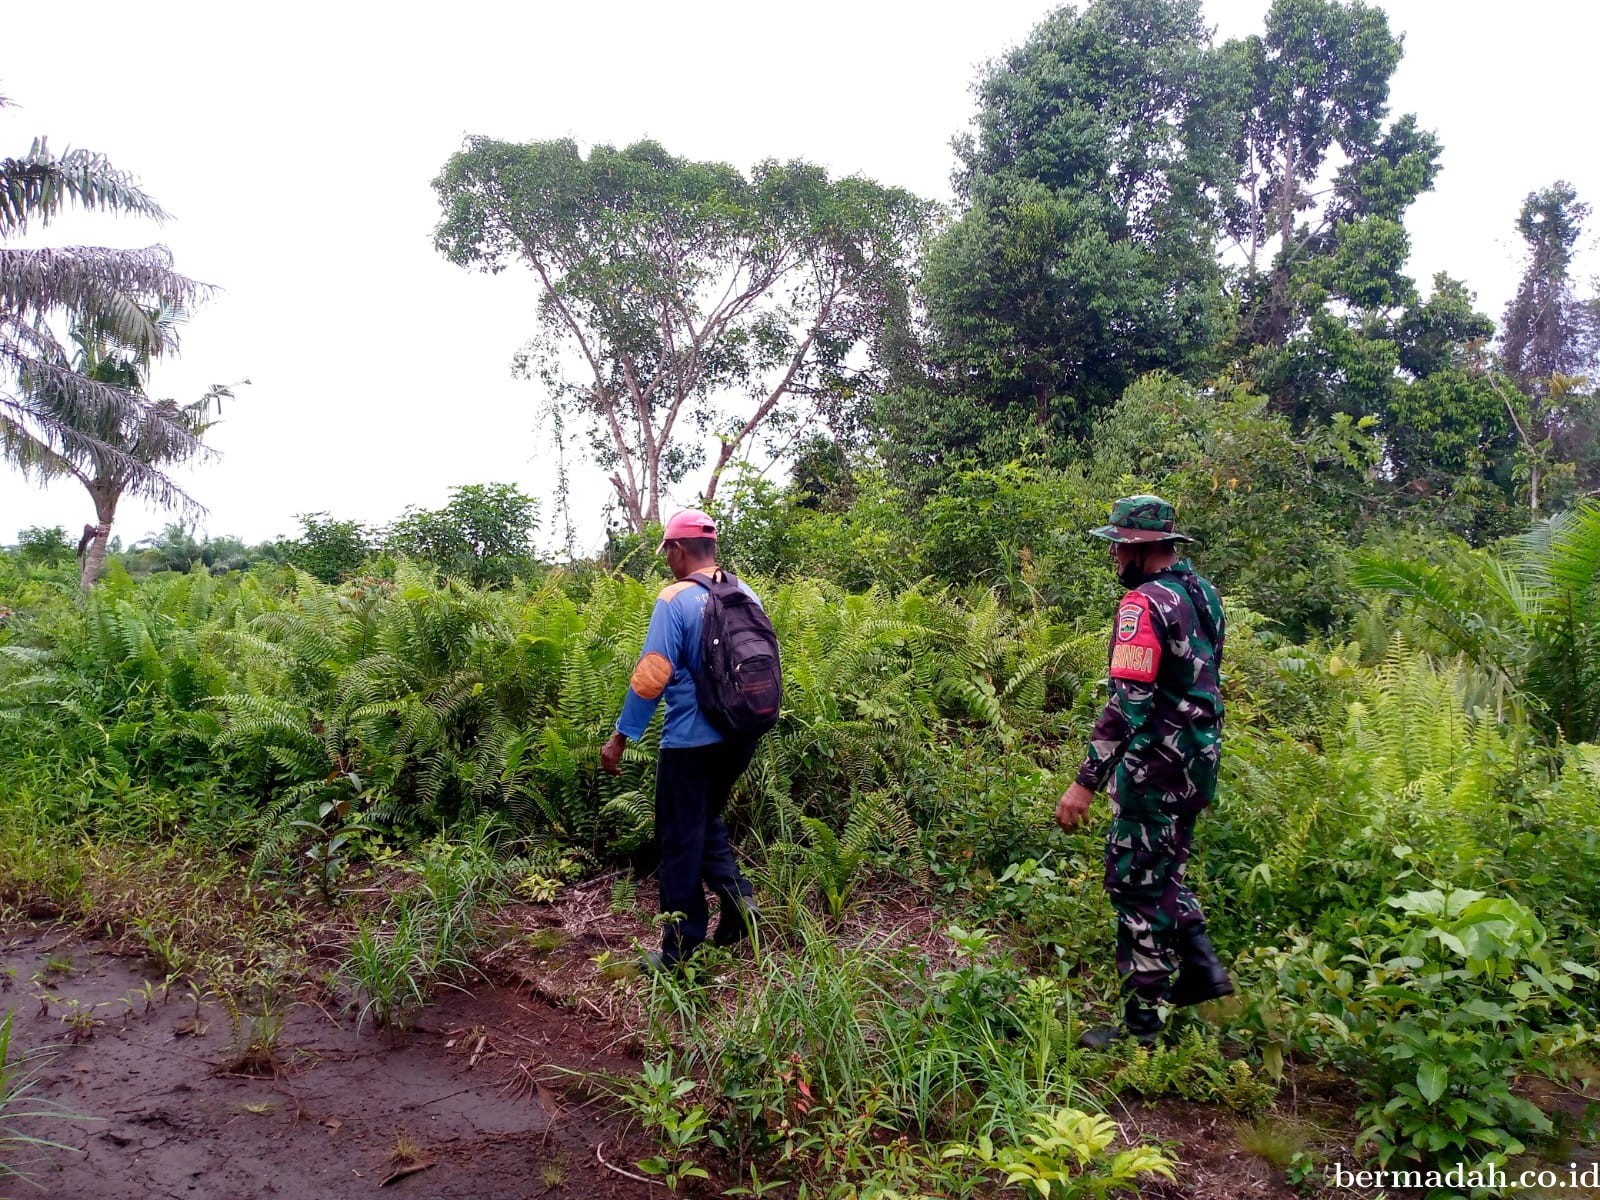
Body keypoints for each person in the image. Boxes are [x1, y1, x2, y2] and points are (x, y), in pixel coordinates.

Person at [1055, 495, 1232, 1048]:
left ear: (1140, 548)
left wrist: (1084, 783)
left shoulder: (1142, 605)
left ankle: (1142, 1031)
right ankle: (1201, 966)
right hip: (1198, 762)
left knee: (1136, 887)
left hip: (1154, 769)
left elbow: (1127, 703)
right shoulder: (1202, 593)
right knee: (1166, 870)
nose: (1113, 561)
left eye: (1117, 549)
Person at [600, 509, 761, 972]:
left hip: (691, 742)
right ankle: (738, 902)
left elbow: (652, 677)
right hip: (741, 736)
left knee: (677, 841)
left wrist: (621, 737)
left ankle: (680, 950)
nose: (667, 560)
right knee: (704, 818)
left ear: (678, 549)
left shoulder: (675, 599)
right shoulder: (745, 592)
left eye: (667, 551)